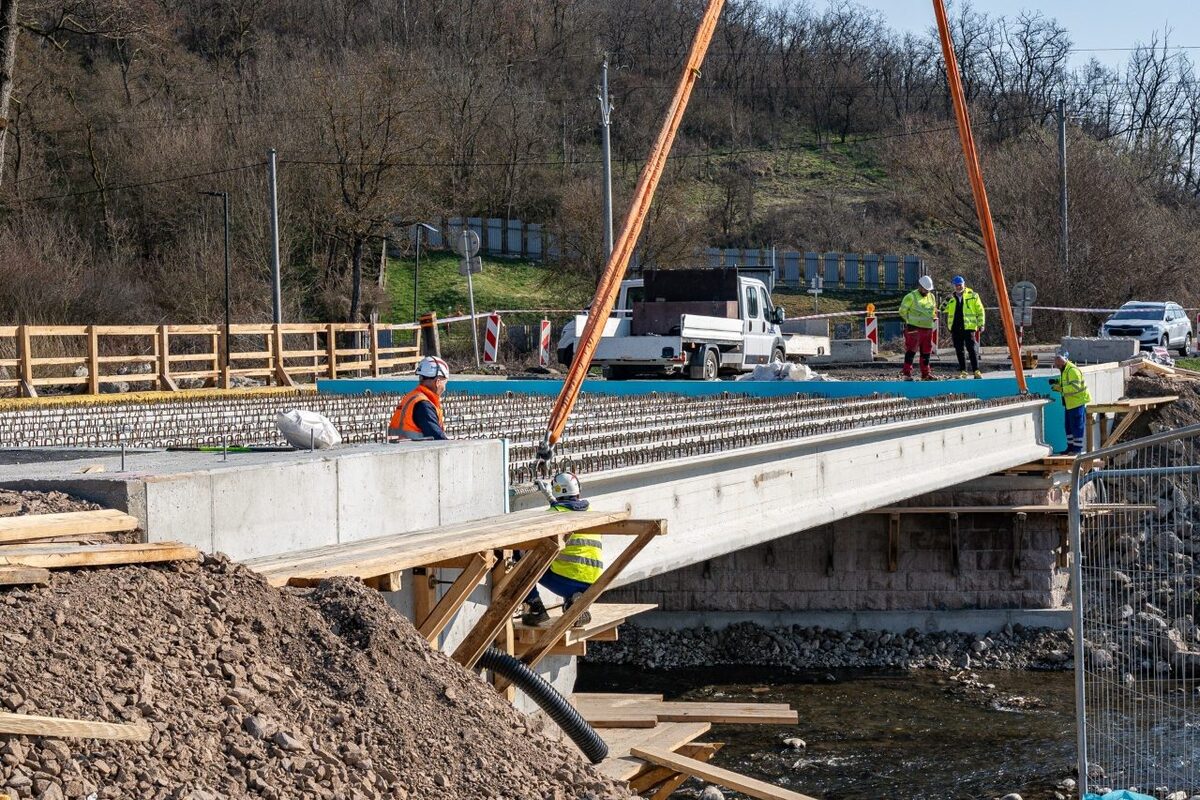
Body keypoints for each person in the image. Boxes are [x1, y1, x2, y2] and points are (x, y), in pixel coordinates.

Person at [521, 472, 600, 628]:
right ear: (578, 490)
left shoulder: (551, 516)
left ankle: (534, 609)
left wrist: (552, 499)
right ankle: (573, 603)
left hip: (566, 582)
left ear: (555, 490)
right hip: (593, 582)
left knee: (520, 556)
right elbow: (568, 509)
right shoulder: (591, 511)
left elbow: (556, 515)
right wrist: (551, 499)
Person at [388, 356, 450, 441]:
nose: (444, 388)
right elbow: (438, 438)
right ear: (437, 382)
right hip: (413, 452)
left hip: (400, 451)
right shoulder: (423, 405)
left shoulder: (412, 397)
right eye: (445, 383)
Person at [942, 275, 986, 379]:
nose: (958, 287)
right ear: (954, 286)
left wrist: (981, 324)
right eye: (956, 285)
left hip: (969, 326)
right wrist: (947, 300)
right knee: (959, 349)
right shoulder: (951, 298)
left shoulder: (973, 295)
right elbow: (942, 309)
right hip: (955, 327)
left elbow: (980, 311)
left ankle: (976, 370)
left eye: (960, 285)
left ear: (964, 284)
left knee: (972, 349)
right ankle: (963, 371)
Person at [1051, 350, 1091, 454]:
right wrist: (1056, 382)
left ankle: (1077, 450)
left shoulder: (1072, 370)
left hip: (1076, 403)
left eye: (1058, 361)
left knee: (1077, 426)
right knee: (1068, 427)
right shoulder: (1065, 370)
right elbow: (1065, 381)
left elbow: (1075, 387)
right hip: (1069, 404)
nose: (1056, 364)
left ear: (1064, 359)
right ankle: (1070, 448)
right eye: (1056, 361)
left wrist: (1060, 389)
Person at [899, 274, 938, 381]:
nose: (927, 291)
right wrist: (909, 322)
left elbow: (933, 310)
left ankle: (925, 374)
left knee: (926, 352)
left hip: (928, 328)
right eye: (925, 289)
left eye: (929, 290)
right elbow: (902, 311)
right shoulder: (911, 297)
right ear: (920, 286)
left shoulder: (931, 296)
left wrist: (934, 316)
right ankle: (907, 374)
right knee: (911, 350)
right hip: (914, 329)